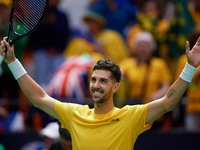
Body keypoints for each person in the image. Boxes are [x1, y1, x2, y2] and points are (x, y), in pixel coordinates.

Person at [1, 35, 200, 149]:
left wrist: (190, 67)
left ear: (115, 87)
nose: (96, 85)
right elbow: (38, 97)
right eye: (94, 79)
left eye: (103, 81)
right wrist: (12, 62)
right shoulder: (74, 114)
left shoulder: (130, 116)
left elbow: (167, 102)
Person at [175, 25, 200, 132]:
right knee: (190, 138)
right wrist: (196, 77)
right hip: (192, 105)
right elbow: (182, 87)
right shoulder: (183, 60)